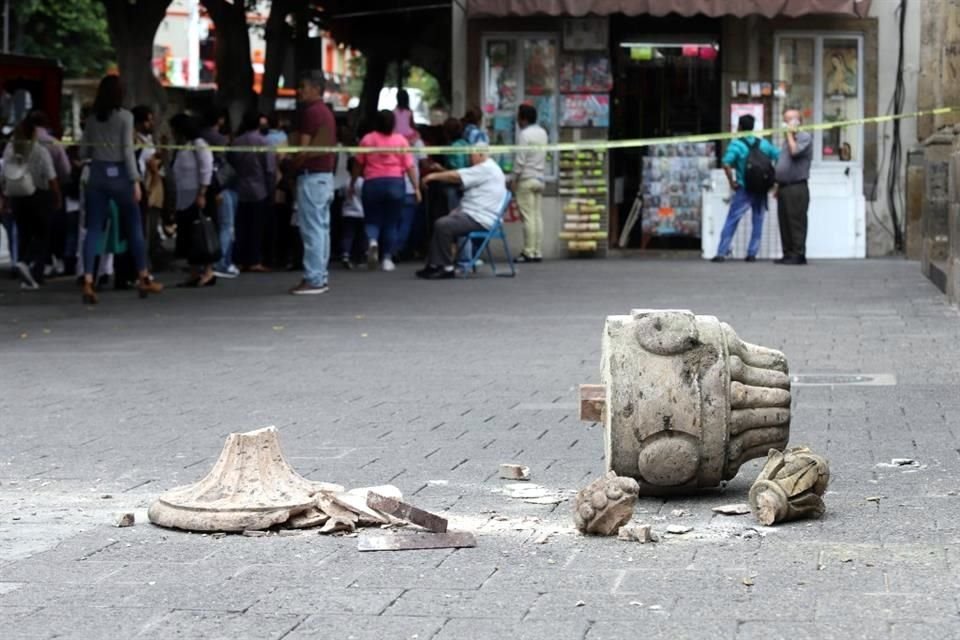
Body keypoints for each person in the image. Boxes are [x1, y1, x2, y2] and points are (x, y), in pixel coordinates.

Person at [79, 75, 163, 304]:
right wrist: (135, 180)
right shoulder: (126, 117)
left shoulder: (92, 119)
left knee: (94, 228)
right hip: (121, 176)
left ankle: (88, 279)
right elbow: (127, 152)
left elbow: (83, 152)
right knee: (134, 225)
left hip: (96, 175)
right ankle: (143, 276)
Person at [417, 143, 506, 280]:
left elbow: (457, 176)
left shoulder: (486, 169)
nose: (469, 158)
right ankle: (435, 264)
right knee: (442, 222)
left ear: (481, 154)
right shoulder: (487, 169)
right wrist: (459, 210)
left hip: (480, 218)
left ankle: (447, 267)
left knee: (443, 224)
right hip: (475, 214)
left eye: (471, 155)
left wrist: (432, 176)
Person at [351, 109, 420, 272]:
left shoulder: (367, 140)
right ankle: (387, 258)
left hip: (372, 183)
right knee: (391, 222)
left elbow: (358, 164)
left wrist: (353, 182)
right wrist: (416, 187)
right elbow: (409, 166)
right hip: (396, 183)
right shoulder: (401, 140)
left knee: (372, 219)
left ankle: (372, 241)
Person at [289, 70, 336, 295]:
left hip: (311, 175)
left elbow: (304, 149)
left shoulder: (311, 113)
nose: (300, 91)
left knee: (312, 230)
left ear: (316, 89)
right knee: (321, 229)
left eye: (304, 87)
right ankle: (320, 275)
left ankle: (313, 278)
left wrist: (292, 163)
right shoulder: (326, 112)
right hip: (325, 177)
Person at [1, 118, 61, 290]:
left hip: (17, 197)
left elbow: (4, 175)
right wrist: (57, 196)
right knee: (42, 234)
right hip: (39, 196)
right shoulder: (39, 150)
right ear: (33, 133)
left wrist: (4, 198)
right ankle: (35, 271)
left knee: (24, 234)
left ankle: (22, 267)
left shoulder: (9, 149)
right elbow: (51, 177)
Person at [711, 114, 779, 263]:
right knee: (758, 220)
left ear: (739, 127)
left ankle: (722, 252)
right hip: (761, 189)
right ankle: (752, 253)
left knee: (732, 219)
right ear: (753, 127)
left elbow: (726, 163)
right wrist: (775, 180)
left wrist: (732, 182)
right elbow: (778, 156)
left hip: (745, 188)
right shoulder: (764, 144)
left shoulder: (736, 145)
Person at [169, 113, 216, 287]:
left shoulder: (199, 145)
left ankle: (208, 271)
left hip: (197, 194)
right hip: (184, 196)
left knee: (202, 233)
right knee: (189, 235)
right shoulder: (184, 146)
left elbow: (206, 168)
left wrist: (202, 192)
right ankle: (195, 271)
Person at [228, 110, 276, 273]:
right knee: (256, 226)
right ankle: (254, 260)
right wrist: (271, 189)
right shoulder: (264, 143)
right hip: (259, 189)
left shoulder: (236, 142)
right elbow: (269, 169)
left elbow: (231, 164)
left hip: (240, 188)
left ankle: (239, 258)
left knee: (241, 225)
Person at [775, 109, 813, 265]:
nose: (786, 124)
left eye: (789, 120)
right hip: (784, 186)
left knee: (796, 221)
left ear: (798, 121)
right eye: (784, 120)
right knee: (784, 221)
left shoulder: (804, 137)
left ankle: (798, 253)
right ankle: (788, 253)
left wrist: (790, 134)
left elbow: (795, 152)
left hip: (797, 186)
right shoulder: (786, 139)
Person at [512, 103, 548, 263]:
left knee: (527, 217)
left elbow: (520, 161)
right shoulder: (543, 133)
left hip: (526, 179)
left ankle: (528, 251)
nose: (517, 120)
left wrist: (514, 179)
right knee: (537, 216)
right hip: (540, 178)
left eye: (518, 117)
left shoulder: (524, 135)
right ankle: (537, 250)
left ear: (524, 119)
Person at [339, 158, 364, 269]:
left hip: (347, 212)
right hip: (361, 213)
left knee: (348, 235)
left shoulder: (345, 182)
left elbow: (340, 195)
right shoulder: (363, 182)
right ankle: (359, 257)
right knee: (360, 236)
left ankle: (345, 254)